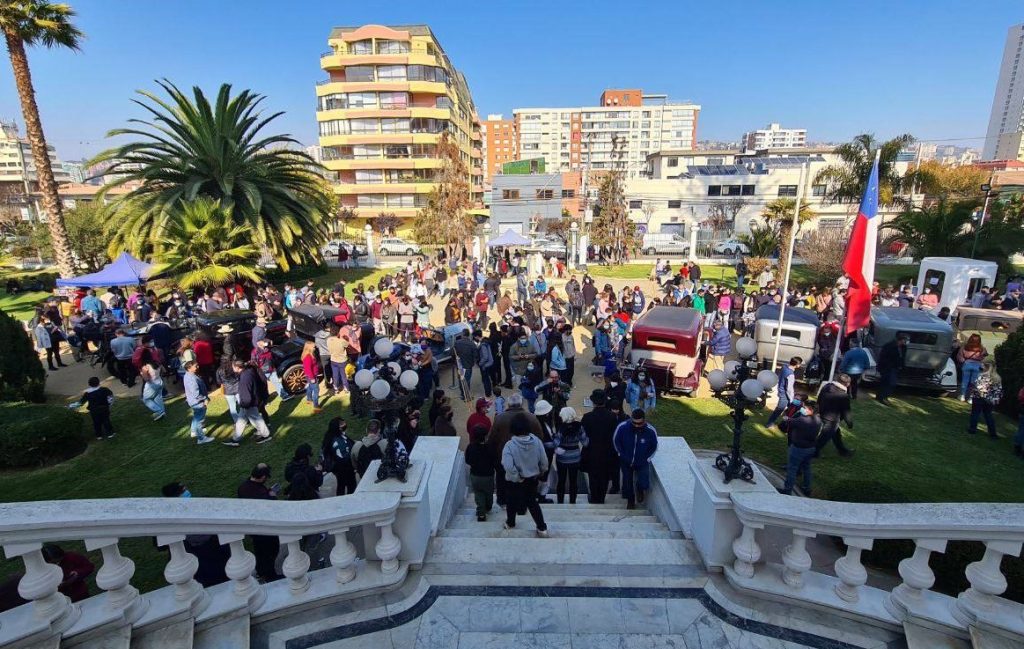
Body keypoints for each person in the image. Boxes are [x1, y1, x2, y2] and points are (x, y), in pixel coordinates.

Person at [501, 412, 550, 536]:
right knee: (532, 503)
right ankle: (542, 527)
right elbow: (544, 461)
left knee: (511, 502)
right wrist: (540, 472)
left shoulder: (510, 445)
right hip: (532, 479)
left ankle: (510, 522)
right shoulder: (537, 441)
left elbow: (508, 466)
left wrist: (517, 477)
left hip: (514, 481)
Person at [489, 392, 540, 507]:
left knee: (502, 480)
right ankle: (523, 503)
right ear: (521, 403)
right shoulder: (531, 418)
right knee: (524, 482)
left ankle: (502, 500)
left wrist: (493, 457)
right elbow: (539, 438)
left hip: (503, 457)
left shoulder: (499, 418)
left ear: (508, 404)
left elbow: (492, 440)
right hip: (526, 458)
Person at [236, 464, 281, 581]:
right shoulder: (260, 494)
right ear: (262, 477)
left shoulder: (243, 487)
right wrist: (272, 496)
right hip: (265, 529)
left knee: (260, 552)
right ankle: (271, 576)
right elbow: (270, 507)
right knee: (270, 552)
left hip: (253, 528)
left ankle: (261, 571)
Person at [613, 409, 658, 509]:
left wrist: (647, 459)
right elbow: (616, 441)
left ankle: (639, 489)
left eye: (639, 423)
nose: (637, 425)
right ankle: (630, 500)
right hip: (626, 461)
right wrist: (621, 454)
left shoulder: (650, 431)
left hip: (642, 462)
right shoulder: (622, 427)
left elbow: (654, 446)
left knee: (644, 483)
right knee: (627, 482)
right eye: (634, 423)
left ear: (644, 420)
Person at [580, 389, 619, 503]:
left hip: (591, 451)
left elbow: (583, 435)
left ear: (593, 402)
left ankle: (594, 497)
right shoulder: (612, 417)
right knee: (605, 476)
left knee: (593, 476)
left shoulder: (587, 417)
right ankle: (601, 498)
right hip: (608, 452)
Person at [225, 360, 273, 446]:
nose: (232, 369)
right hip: (249, 402)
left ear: (237, 367)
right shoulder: (247, 372)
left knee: (256, 419)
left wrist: (245, 404)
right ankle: (235, 439)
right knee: (241, 420)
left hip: (249, 403)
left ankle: (266, 435)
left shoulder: (245, 377)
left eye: (233, 367)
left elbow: (246, 393)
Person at [779, 399, 821, 496]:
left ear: (810, 410)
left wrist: (786, 418)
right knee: (807, 468)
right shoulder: (818, 420)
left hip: (798, 448)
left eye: (804, 407)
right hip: (811, 448)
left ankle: (787, 489)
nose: (802, 409)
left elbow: (789, 420)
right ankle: (807, 488)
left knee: (792, 468)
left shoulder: (802, 420)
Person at [553, 407, 589, 505]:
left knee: (561, 481)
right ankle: (572, 501)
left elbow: (555, 443)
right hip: (575, 457)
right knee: (573, 481)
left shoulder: (561, 427)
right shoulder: (579, 427)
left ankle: (560, 501)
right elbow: (585, 443)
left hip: (562, 458)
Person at [815, 374, 854, 458]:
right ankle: (813, 452)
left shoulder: (827, 386)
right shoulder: (843, 396)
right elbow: (846, 411)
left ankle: (842, 450)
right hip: (832, 419)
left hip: (822, 414)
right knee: (824, 437)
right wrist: (849, 423)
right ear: (847, 384)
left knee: (836, 434)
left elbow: (819, 398)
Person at [465, 424, 497, 521]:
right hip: (488, 475)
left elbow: (467, 460)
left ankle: (481, 513)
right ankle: (488, 506)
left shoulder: (470, 447)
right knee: (489, 493)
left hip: (475, 475)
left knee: (478, 494)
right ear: (486, 435)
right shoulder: (491, 447)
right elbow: (495, 460)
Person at [321, 417, 358, 496]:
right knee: (351, 485)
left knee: (341, 484)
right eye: (342, 424)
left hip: (339, 468)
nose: (345, 424)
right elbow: (343, 457)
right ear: (338, 428)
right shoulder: (337, 442)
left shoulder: (332, 436)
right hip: (344, 468)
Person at [72, 376, 115, 440]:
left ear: (89, 384)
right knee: (106, 420)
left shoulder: (87, 393)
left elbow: (81, 402)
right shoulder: (104, 390)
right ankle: (110, 433)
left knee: (96, 422)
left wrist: (72, 406)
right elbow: (110, 397)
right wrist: (109, 404)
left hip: (94, 410)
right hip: (104, 408)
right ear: (99, 383)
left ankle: (99, 435)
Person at [183, 361, 215, 445]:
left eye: (197, 365)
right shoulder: (191, 378)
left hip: (193, 401)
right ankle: (201, 438)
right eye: (195, 366)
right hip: (198, 402)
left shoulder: (188, 375)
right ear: (189, 368)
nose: (197, 367)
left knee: (196, 417)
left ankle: (194, 431)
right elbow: (196, 393)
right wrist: (205, 399)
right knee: (199, 420)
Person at [967, 363, 1002, 438]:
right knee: (988, 415)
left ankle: (972, 429)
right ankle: (993, 433)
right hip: (990, 399)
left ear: (986, 368)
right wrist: (994, 398)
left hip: (978, 397)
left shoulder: (982, 376)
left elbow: (978, 387)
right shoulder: (997, 378)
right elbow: (998, 390)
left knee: (975, 413)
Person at [766, 357, 802, 427]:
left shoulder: (784, 367)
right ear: (797, 364)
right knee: (779, 409)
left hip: (780, 390)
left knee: (787, 409)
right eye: (800, 364)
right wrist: (791, 399)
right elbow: (789, 388)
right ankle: (769, 424)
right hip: (784, 394)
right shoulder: (790, 374)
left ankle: (786, 422)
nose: (800, 365)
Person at [875, 334, 907, 406]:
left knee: (888, 383)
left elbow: (902, 357)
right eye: (905, 340)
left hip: (895, 368)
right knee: (889, 383)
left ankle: (881, 397)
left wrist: (902, 366)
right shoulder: (889, 346)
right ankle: (883, 397)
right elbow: (883, 357)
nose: (906, 342)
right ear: (900, 340)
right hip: (887, 367)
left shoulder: (903, 347)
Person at [956, 334, 988, 402]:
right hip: (977, 365)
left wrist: (964, 361)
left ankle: (962, 396)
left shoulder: (965, 347)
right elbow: (984, 356)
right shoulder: (982, 349)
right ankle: (971, 398)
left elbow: (959, 356)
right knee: (974, 382)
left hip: (967, 364)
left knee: (965, 381)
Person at [300, 341, 322, 413]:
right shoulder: (308, 357)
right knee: (316, 390)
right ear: (309, 348)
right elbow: (308, 369)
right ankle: (316, 407)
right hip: (311, 376)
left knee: (310, 387)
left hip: (310, 375)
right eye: (313, 347)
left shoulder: (309, 354)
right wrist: (312, 378)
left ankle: (309, 399)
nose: (314, 348)